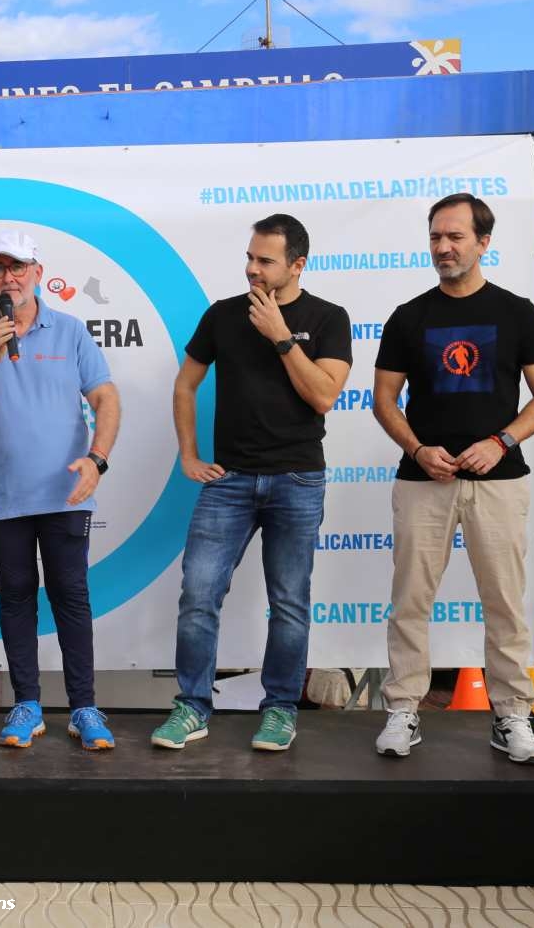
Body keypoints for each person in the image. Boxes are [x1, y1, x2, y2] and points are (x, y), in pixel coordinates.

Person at [373, 193, 534, 764]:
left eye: (455, 236)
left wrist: (500, 441)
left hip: (498, 482)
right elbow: (384, 399)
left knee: (504, 603)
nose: (443, 247)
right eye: (436, 236)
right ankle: (403, 709)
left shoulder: (517, 313)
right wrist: (416, 448)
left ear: (483, 242)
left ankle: (512, 717)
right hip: (422, 479)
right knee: (410, 601)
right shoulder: (409, 317)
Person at [153, 213, 351, 753]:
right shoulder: (222, 315)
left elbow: (323, 396)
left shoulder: (328, 318)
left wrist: (282, 337)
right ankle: (192, 706)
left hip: (298, 480)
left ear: (297, 265)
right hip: (230, 481)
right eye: (249, 257)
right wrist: (189, 456)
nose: (252, 269)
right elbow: (185, 385)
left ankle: (280, 708)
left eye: (265, 260)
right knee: (199, 593)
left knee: (289, 602)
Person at [0, 230, 121, 750]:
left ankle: (84, 707)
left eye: (18, 267)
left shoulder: (70, 331)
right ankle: (27, 704)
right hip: (5, 497)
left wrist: (97, 460)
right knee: (16, 597)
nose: (10, 278)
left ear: (38, 273)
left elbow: (106, 399)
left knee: (72, 596)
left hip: (66, 494)